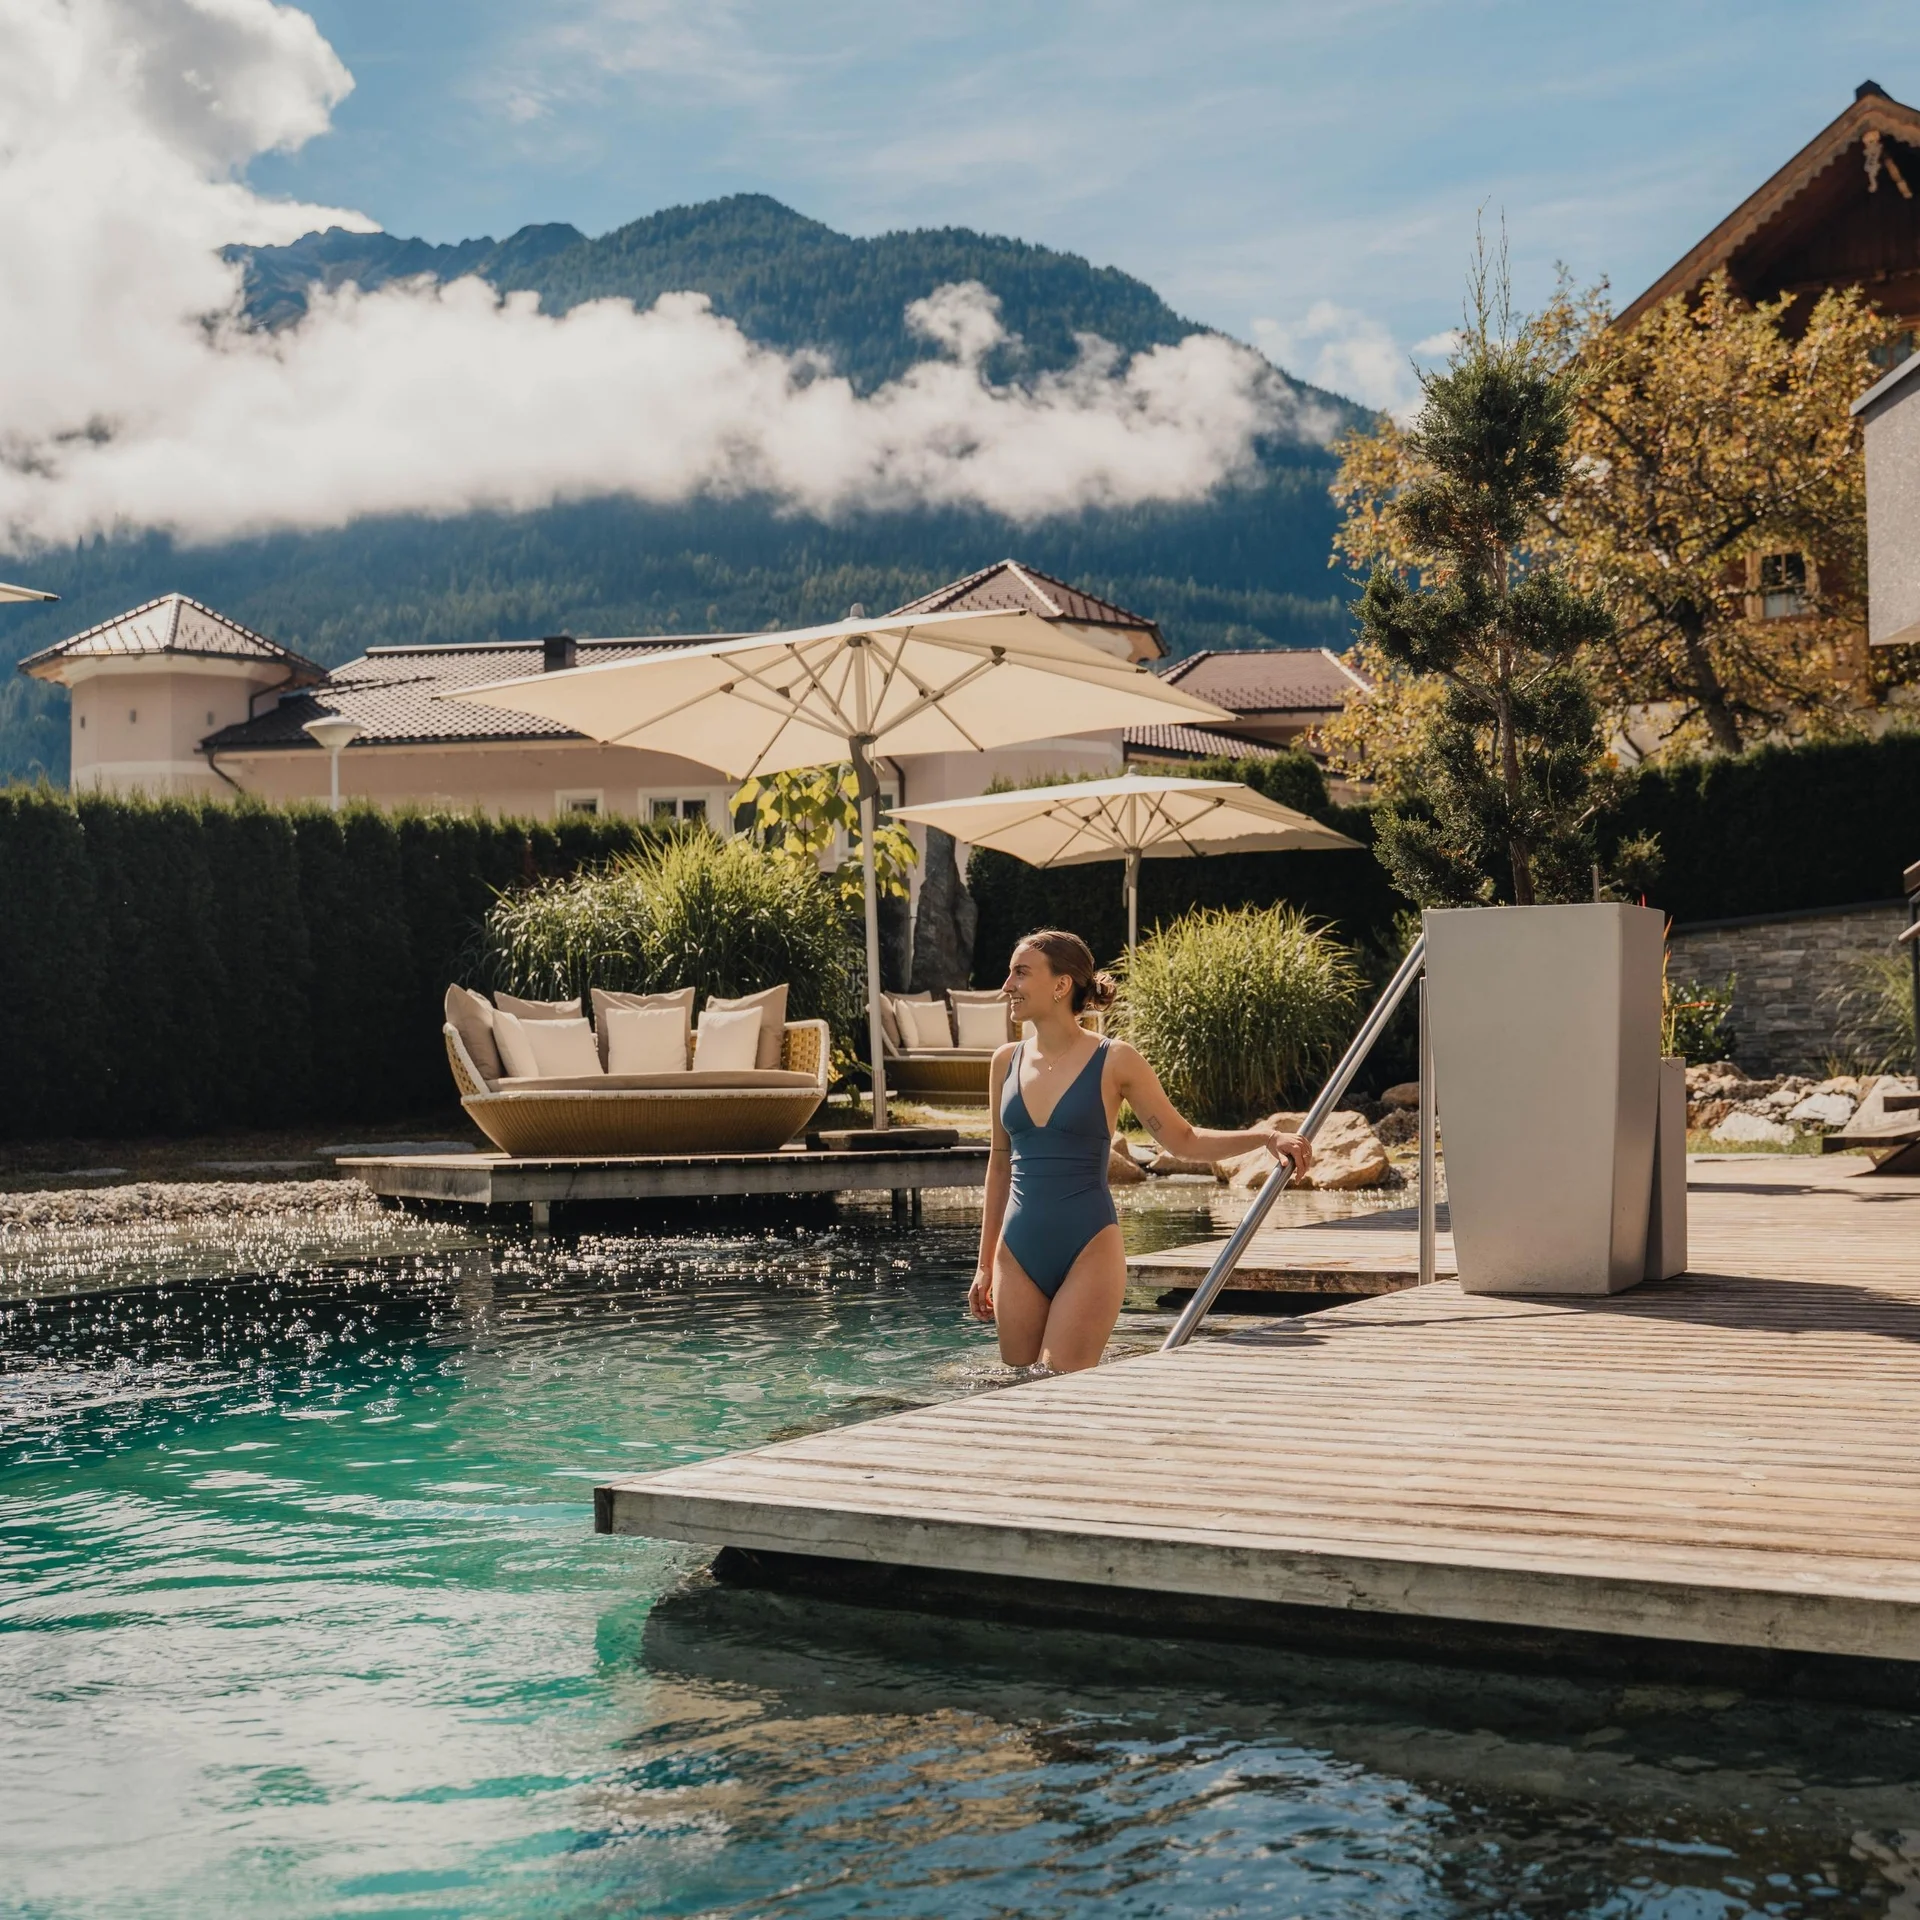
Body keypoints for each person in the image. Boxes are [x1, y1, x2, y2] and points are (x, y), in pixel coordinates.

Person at [968, 928, 1313, 1372]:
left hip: (1087, 1250)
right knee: (1015, 1387)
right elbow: (999, 1164)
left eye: (1020, 973)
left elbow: (1181, 1139)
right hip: (1014, 1253)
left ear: (1060, 985)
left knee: (1060, 1384)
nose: (1006, 985)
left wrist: (1264, 1137)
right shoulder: (1005, 1061)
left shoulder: (1114, 1060)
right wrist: (984, 1264)